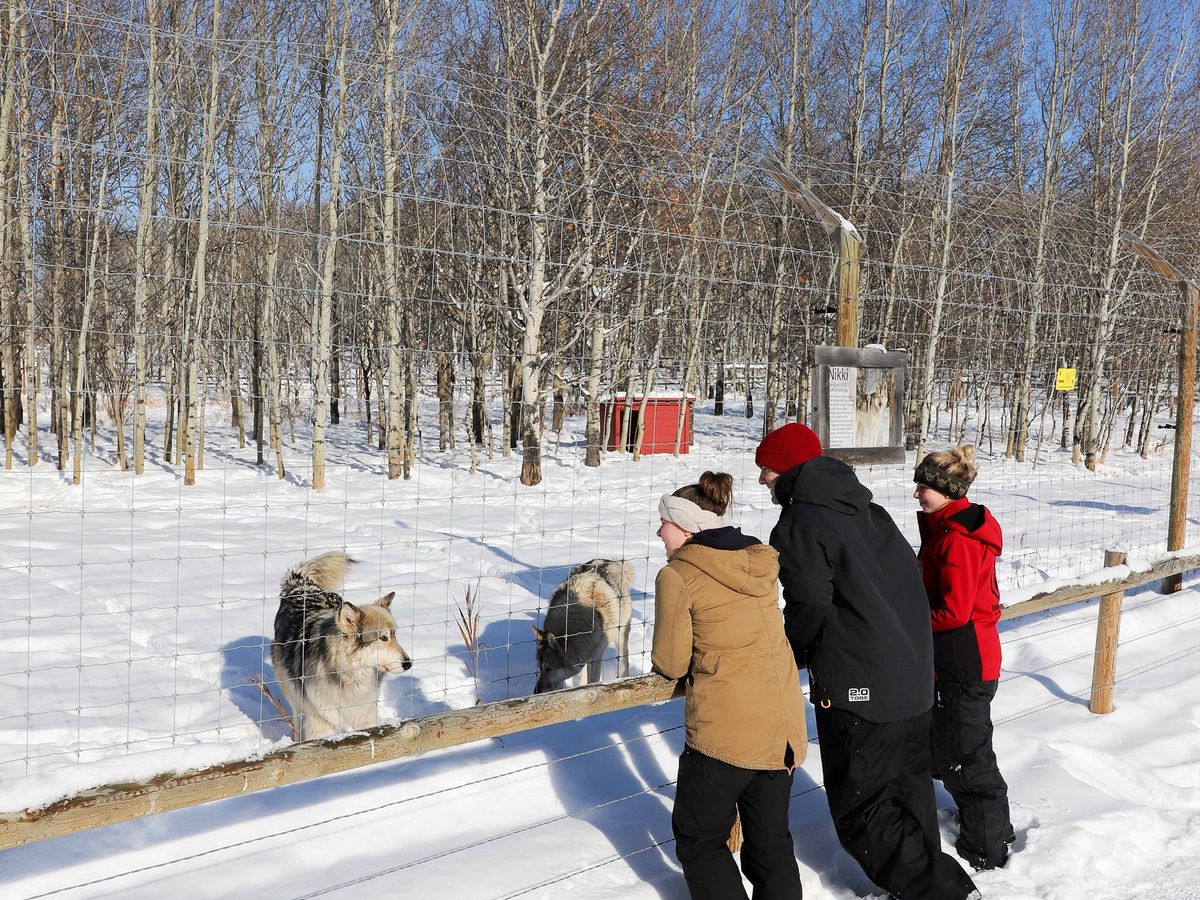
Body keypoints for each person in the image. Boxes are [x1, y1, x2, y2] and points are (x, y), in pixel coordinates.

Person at [755, 423, 978, 900]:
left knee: (863, 808)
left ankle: (942, 893)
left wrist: (791, 652)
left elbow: (809, 602)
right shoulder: (869, 511)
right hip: (911, 678)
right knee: (908, 793)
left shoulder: (799, 523)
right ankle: (927, 888)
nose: (762, 480)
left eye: (767, 469)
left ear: (790, 468)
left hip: (860, 687)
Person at [652, 471, 807, 900]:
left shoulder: (679, 574)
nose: (658, 530)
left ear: (685, 525)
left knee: (699, 838)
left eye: (663, 521)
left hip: (726, 732)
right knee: (771, 842)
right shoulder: (757, 561)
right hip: (782, 728)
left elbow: (670, 662)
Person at [914, 445, 1015, 871]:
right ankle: (992, 826)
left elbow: (954, 611)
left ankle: (987, 849)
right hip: (962, 658)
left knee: (967, 759)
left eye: (924, 487)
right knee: (956, 751)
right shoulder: (948, 528)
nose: (917, 493)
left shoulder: (957, 539)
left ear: (947, 490)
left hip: (964, 662)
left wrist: (910, 622)